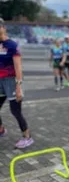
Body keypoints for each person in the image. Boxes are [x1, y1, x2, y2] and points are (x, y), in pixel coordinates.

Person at [0, 20, 34, 148]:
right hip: (0, 81)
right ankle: (1, 130)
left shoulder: (12, 45)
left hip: (11, 81)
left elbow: (18, 67)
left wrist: (18, 87)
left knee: (15, 110)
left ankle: (27, 137)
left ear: (3, 28)